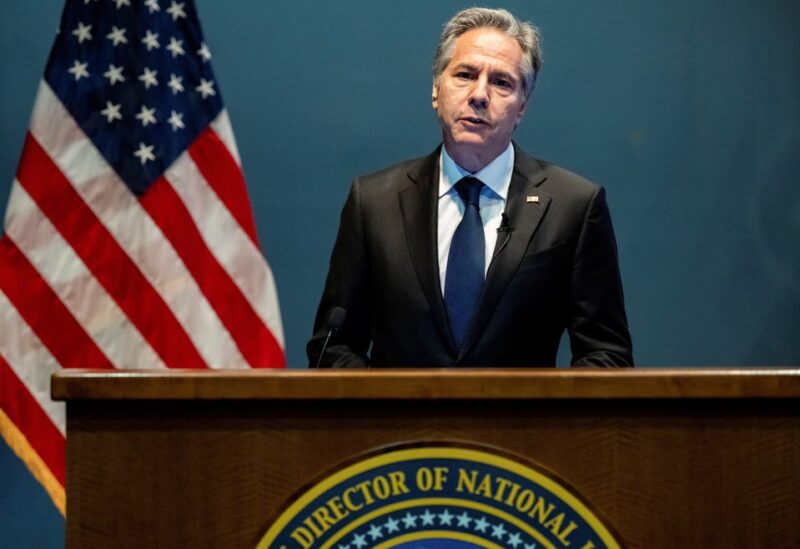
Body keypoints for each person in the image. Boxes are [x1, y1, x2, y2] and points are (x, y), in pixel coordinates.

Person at [308, 7, 633, 368]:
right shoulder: (373, 202)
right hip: (403, 424)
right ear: (436, 89)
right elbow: (334, 349)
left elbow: (606, 356)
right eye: (465, 74)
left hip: (521, 424)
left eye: (501, 82)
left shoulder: (573, 205)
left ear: (522, 105)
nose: (480, 95)